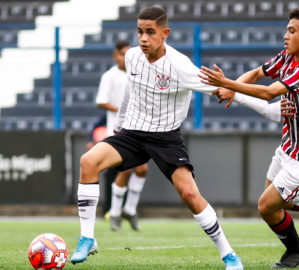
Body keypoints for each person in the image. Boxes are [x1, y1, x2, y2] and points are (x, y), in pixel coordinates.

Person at [70, 7, 243, 270]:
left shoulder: (180, 65)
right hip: (132, 133)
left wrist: (234, 92)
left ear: (165, 33)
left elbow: (220, 88)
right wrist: (118, 126)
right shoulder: (131, 57)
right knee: (88, 162)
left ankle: (229, 254)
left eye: (150, 32)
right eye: (140, 31)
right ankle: (87, 237)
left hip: (166, 138)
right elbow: (131, 88)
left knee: (189, 194)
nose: (143, 38)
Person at [200, 8, 299, 268]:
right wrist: (230, 87)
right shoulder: (287, 56)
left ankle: (296, 250)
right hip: (289, 146)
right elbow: (258, 73)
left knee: (267, 206)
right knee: (276, 201)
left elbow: (269, 91)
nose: (286, 35)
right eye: (286, 29)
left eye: (292, 31)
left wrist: (229, 85)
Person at [95, 40, 148, 232]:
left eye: (129, 53)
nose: (125, 58)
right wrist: (121, 108)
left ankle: (129, 209)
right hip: (117, 131)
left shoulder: (140, 73)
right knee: (126, 170)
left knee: (142, 170)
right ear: (115, 56)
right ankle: (116, 213)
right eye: (122, 54)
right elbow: (101, 101)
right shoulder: (109, 76)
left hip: (139, 129)